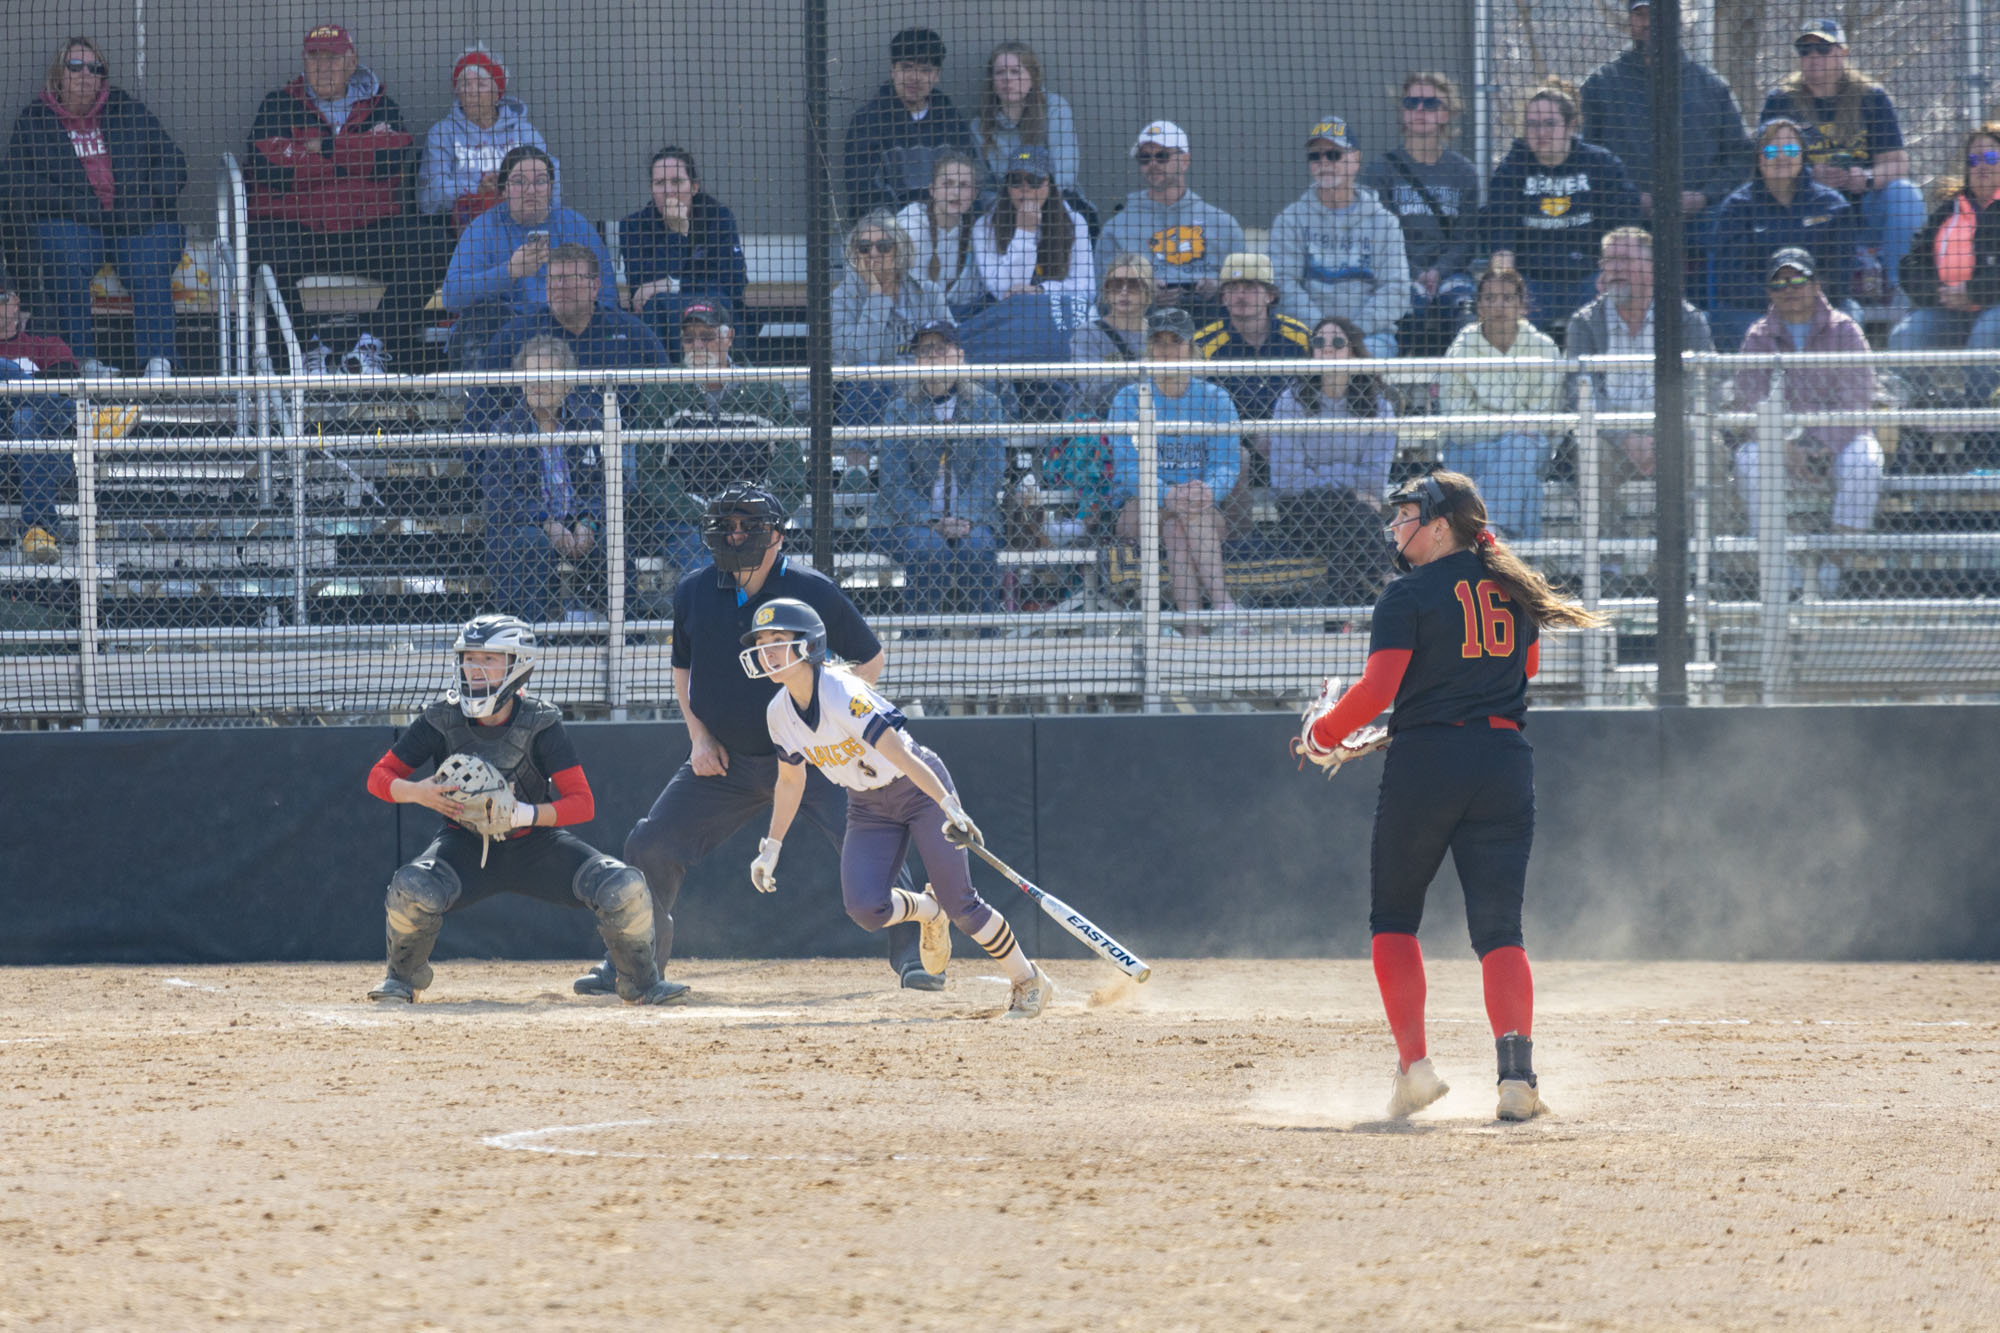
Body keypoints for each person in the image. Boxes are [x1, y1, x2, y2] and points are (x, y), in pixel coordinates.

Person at [1292, 470, 1604, 1122]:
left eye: (1407, 514)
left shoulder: (1407, 594)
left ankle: (1415, 1069)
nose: (1397, 526)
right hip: (1503, 762)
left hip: (1428, 762)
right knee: (1500, 930)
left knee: (1395, 918)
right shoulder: (1513, 589)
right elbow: (1528, 670)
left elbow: (1377, 692)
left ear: (1440, 526)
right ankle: (1516, 1078)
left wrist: (1321, 733)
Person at [601, 485, 930, 997]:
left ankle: (913, 958)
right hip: (726, 762)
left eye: (748, 526)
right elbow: (681, 669)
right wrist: (699, 739)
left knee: (871, 845)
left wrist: (830, 729)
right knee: (650, 843)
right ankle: (632, 965)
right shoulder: (693, 588)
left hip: (813, 761)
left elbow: (869, 660)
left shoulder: (811, 588)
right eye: (726, 525)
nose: (736, 535)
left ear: (777, 535)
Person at [745, 598, 1054, 1016]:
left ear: (809, 645)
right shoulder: (777, 712)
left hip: (917, 789)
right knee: (865, 908)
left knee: (962, 902)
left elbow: (904, 757)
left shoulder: (842, 691)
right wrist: (772, 846)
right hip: (868, 806)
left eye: (778, 640)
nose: (767, 652)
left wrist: (947, 804)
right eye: (762, 642)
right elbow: (790, 778)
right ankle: (929, 911)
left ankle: (1028, 979)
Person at [363, 614, 683, 1005]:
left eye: (489, 659)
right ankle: (401, 979)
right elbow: (379, 776)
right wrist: (417, 792)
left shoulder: (540, 721)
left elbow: (582, 804)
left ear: (518, 665)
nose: (474, 668)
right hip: (464, 848)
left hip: (536, 845)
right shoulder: (441, 717)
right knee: (411, 887)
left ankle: (641, 981)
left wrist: (522, 814)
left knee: (624, 886)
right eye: (469, 657)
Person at [244, 23, 450, 368]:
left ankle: (372, 346)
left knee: (435, 243)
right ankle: (305, 354)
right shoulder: (278, 104)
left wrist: (323, 148)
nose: (323, 67)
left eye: (333, 58)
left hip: (365, 232)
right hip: (299, 232)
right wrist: (354, 157)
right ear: (304, 61)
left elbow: (392, 157)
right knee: (255, 249)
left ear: (351, 62)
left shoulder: (381, 105)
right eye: (315, 58)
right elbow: (270, 167)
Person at [5, 37, 187, 377]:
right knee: (61, 252)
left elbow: (174, 163)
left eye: (95, 68)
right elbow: (16, 183)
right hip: (76, 222)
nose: (85, 74)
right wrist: (79, 205)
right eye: (75, 66)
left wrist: (143, 203)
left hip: (135, 220)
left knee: (149, 258)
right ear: (59, 74)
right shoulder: (35, 120)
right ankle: (82, 362)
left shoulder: (126, 109)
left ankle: (158, 362)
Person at [1732, 248, 1883, 595]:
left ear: (1816, 284)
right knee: (1750, 460)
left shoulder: (1845, 330)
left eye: (1799, 279)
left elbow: (1858, 400)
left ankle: (1833, 568)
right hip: (1779, 447)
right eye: (1780, 283)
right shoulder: (1758, 337)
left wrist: (1820, 447)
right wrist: (1786, 448)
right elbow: (1748, 401)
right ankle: (1781, 578)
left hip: (1839, 443)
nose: (1790, 289)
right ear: (1770, 292)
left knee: (1866, 460)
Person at [1759, 18, 1925, 305]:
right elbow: (1764, 163)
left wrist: (1866, 178)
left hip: (1866, 210)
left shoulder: (1871, 97)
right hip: (1811, 213)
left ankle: (1904, 296)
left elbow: (1897, 163)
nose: (1813, 57)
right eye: (1805, 50)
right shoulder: (1782, 100)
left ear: (1842, 53)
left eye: (1822, 49)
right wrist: (1808, 176)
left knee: (1905, 194)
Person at [1564, 227, 1714, 539]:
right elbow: (1579, 393)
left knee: (1712, 449)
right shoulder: (1584, 323)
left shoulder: (1687, 320)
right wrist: (1626, 438)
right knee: (1589, 452)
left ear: (1652, 267)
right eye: (1608, 261)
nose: (1614, 269)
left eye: (1624, 260)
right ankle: (1609, 567)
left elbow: (1706, 385)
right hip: (1613, 440)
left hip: (1675, 433)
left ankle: (1704, 565)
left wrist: (1668, 432)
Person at [635, 302, 803, 580]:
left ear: (729, 337)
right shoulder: (661, 391)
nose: (697, 345)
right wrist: (707, 514)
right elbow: (651, 474)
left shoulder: (766, 391)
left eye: (707, 336)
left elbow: (791, 473)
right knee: (709, 574)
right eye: (689, 338)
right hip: (688, 523)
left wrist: (752, 515)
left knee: (769, 573)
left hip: (755, 521)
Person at [1105, 307, 1242, 627]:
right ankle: (1224, 607)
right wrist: (1166, 494)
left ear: (1191, 348)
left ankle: (1192, 627)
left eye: (1175, 341)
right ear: (1147, 348)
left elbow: (1227, 463)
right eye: (1157, 342)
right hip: (1140, 508)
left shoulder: (1216, 399)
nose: (1166, 350)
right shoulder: (1129, 399)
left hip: (1202, 506)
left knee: (1177, 526)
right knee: (1173, 519)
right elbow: (1127, 469)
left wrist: (1209, 488)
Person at [871, 321, 1007, 619]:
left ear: (959, 355)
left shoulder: (986, 404)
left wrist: (966, 516)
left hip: (973, 517)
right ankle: (919, 641)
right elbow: (893, 481)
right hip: (903, 521)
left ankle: (987, 639)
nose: (932, 356)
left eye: (941, 348)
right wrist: (930, 519)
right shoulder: (899, 409)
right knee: (929, 547)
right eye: (924, 350)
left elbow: (990, 470)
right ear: (916, 360)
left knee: (978, 547)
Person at [1482, 81, 1640, 334]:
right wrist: (1506, 286)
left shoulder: (1601, 164)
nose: (1540, 132)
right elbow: (1502, 237)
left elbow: (1624, 226)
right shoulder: (1511, 170)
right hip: (1532, 282)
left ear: (1570, 125)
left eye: (1549, 123)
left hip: (1590, 277)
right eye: (1532, 124)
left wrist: (1611, 272)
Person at [1580, 1, 1752, 230]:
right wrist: (1629, 197)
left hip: (1700, 227)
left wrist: (1703, 197)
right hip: (1624, 228)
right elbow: (1584, 157)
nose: (1648, 22)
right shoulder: (1601, 84)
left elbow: (1740, 157)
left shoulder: (1711, 87)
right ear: (1630, 19)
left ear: (1677, 19)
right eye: (1640, 14)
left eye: (1657, 14)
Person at [442, 146, 614, 370]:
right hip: (505, 334)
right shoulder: (482, 228)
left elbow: (608, 295)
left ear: (551, 189)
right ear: (503, 190)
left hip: (564, 329)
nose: (530, 190)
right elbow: (452, 296)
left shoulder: (575, 225)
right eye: (519, 182)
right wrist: (510, 272)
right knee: (482, 320)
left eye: (540, 181)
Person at [472, 336, 603, 623]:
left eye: (547, 375)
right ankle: (529, 638)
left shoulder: (590, 423)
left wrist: (588, 521)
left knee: (613, 544)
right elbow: (499, 496)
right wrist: (545, 522)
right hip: (526, 527)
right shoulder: (505, 429)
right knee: (532, 545)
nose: (537, 383)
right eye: (530, 375)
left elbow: (608, 485)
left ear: (569, 384)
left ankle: (627, 638)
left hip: (580, 520)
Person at [1266, 316, 1397, 604]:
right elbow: (1287, 481)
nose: (1326, 348)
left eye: (1337, 342)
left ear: (1353, 352)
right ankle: (1390, 583)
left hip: (1351, 515)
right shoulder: (1291, 402)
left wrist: (1322, 474)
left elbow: (1375, 479)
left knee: (1347, 528)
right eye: (1318, 342)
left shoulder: (1379, 407)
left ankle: (1339, 618)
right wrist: (1349, 489)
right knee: (1353, 514)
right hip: (1300, 513)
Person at [1359, 74, 1482, 358]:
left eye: (1430, 104)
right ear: (1402, 112)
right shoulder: (1381, 171)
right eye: (1412, 103)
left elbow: (1466, 240)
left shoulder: (1463, 173)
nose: (1420, 111)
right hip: (1398, 273)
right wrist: (1416, 274)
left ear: (1446, 114)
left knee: (1465, 311)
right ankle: (1400, 396)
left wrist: (1438, 271)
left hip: (1450, 273)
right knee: (1407, 306)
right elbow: (1381, 238)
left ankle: (1451, 392)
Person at [1707, 118, 1856, 351]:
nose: (1781, 157)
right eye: (1770, 150)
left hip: (1819, 305)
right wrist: (1780, 300)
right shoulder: (1737, 208)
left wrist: (1804, 300)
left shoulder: (1832, 205)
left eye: (1790, 149)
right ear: (1758, 157)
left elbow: (1840, 273)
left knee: (1849, 314)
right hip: (1754, 308)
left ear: (1802, 155)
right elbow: (1730, 278)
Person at [1269, 115, 1410, 358]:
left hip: (1370, 336)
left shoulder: (1384, 222)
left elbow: (1396, 291)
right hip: (1307, 333)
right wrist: (1325, 333)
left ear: (1355, 159)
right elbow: (1283, 285)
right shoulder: (1289, 219)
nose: (1324, 162)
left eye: (1334, 155)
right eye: (1315, 156)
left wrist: (1350, 334)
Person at [1440, 268, 1563, 541]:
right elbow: (1457, 425)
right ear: (1479, 305)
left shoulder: (1545, 349)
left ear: (1521, 304)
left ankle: (1489, 531)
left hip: (1528, 446)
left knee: (1521, 448)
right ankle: (1523, 568)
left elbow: (1545, 419)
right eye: (1490, 298)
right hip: (1469, 450)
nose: (1498, 306)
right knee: (1526, 482)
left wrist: (1498, 425)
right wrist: (1513, 426)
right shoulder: (1460, 350)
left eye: (1507, 298)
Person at [475, 244, 666, 417]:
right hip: (535, 446)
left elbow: (669, 392)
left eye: (569, 279)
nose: (559, 287)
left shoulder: (632, 333)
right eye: (554, 279)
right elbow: (479, 405)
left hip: (620, 443)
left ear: (595, 286)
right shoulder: (515, 336)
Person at [1889, 124, 2000, 410]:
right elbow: (1911, 262)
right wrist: (1939, 293)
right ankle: (1919, 419)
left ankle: (1985, 427)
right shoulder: (1949, 209)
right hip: (1947, 308)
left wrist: (1975, 292)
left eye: (1991, 158)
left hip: (1994, 309)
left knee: (1985, 337)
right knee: (1905, 337)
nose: (1981, 167)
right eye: (1973, 160)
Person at [1094, 121, 1245, 325]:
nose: (1153, 164)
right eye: (1145, 158)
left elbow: (1250, 288)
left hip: (1212, 333)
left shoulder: (1223, 224)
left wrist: (1219, 288)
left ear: (1185, 160)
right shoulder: (1116, 228)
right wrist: (1143, 295)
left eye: (1162, 156)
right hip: (1143, 334)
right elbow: (1101, 297)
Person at [619, 146, 748, 362]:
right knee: (655, 306)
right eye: (659, 183)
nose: (668, 191)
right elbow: (640, 292)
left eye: (677, 182)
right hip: (661, 321)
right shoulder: (633, 226)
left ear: (694, 186)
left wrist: (671, 284)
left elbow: (734, 283)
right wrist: (677, 235)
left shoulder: (718, 218)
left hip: (712, 313)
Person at [418, 46, 557, 234]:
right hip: (465, 227)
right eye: (465, 84)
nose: (472, 91)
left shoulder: (523, 131)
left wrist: (509, 190)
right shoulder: (442, 133)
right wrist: (477, 190)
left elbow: (552, 178)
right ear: (457, 92)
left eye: (481, 84)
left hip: (522, 222)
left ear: (497, 92)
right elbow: (430, 196)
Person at [841, 27, 975, 220]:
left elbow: (974, 179)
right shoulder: (868, 122)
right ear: (893, 70)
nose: (915, 77)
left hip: (948, 229)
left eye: (925, 70)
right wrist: (906, 226)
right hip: (890, 234)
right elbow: (865, 192)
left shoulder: (952, 121)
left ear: (937, 75)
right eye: (907, 67)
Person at [831, 213, 949, 426]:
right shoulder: (842, 297)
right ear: (854, 254)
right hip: (875, 392)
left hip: (926, 386)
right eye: (864, 247)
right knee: (864, 374)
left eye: (883, 246)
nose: (873, 254)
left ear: (899, 250)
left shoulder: (928, 291)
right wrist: (876, 296)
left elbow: (952, 342)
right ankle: (859, 456)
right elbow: (858, 355)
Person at [1195, 252, 1313, 429]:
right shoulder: (1202, 344)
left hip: (1290, 439)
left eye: (1250, 287)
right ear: (1223, 297)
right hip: (1229, 441)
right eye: (1233, 288)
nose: (1240, 296)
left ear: (1270, 295)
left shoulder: (1301, 337)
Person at [971, 146, 1094, 301]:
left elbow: (1087, 289)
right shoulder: (985, 227)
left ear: (1050, 184)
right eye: (1015, 181)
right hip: (1009, 317)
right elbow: (1001, 291)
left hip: (1058, 314)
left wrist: (1041, 290)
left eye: (1034, 181)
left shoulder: (1075, 222)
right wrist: (1024, 232)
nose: (1025, 188)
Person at [974, 42, 1080, 201]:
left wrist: (1036, 200)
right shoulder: (979, 125)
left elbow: (1066, 168)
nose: (1007, 78)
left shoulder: (1054, 108)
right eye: (1000, 72)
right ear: (992, 81)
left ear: (1033, 77)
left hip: (1055, 202)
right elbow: (984, 184)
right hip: (1005, 209)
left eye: (1015, 72)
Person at [895, 150, 985, 318]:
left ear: (974, 194)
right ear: (932, 190)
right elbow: (909, 299)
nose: (955, 193)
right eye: (947, 184)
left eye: (964, 185)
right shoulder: (910, 228)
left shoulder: (977, 232)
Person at [1067, 251, 1155, 418]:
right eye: (1115, 285)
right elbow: (1092, 389)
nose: (1123, 291)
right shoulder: (1088, 334)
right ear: (1107, 292)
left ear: (1148, 293)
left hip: (1149, 417)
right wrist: (1140, 371)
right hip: (1098, 423)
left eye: (1134, 285)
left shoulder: (1160, 336)